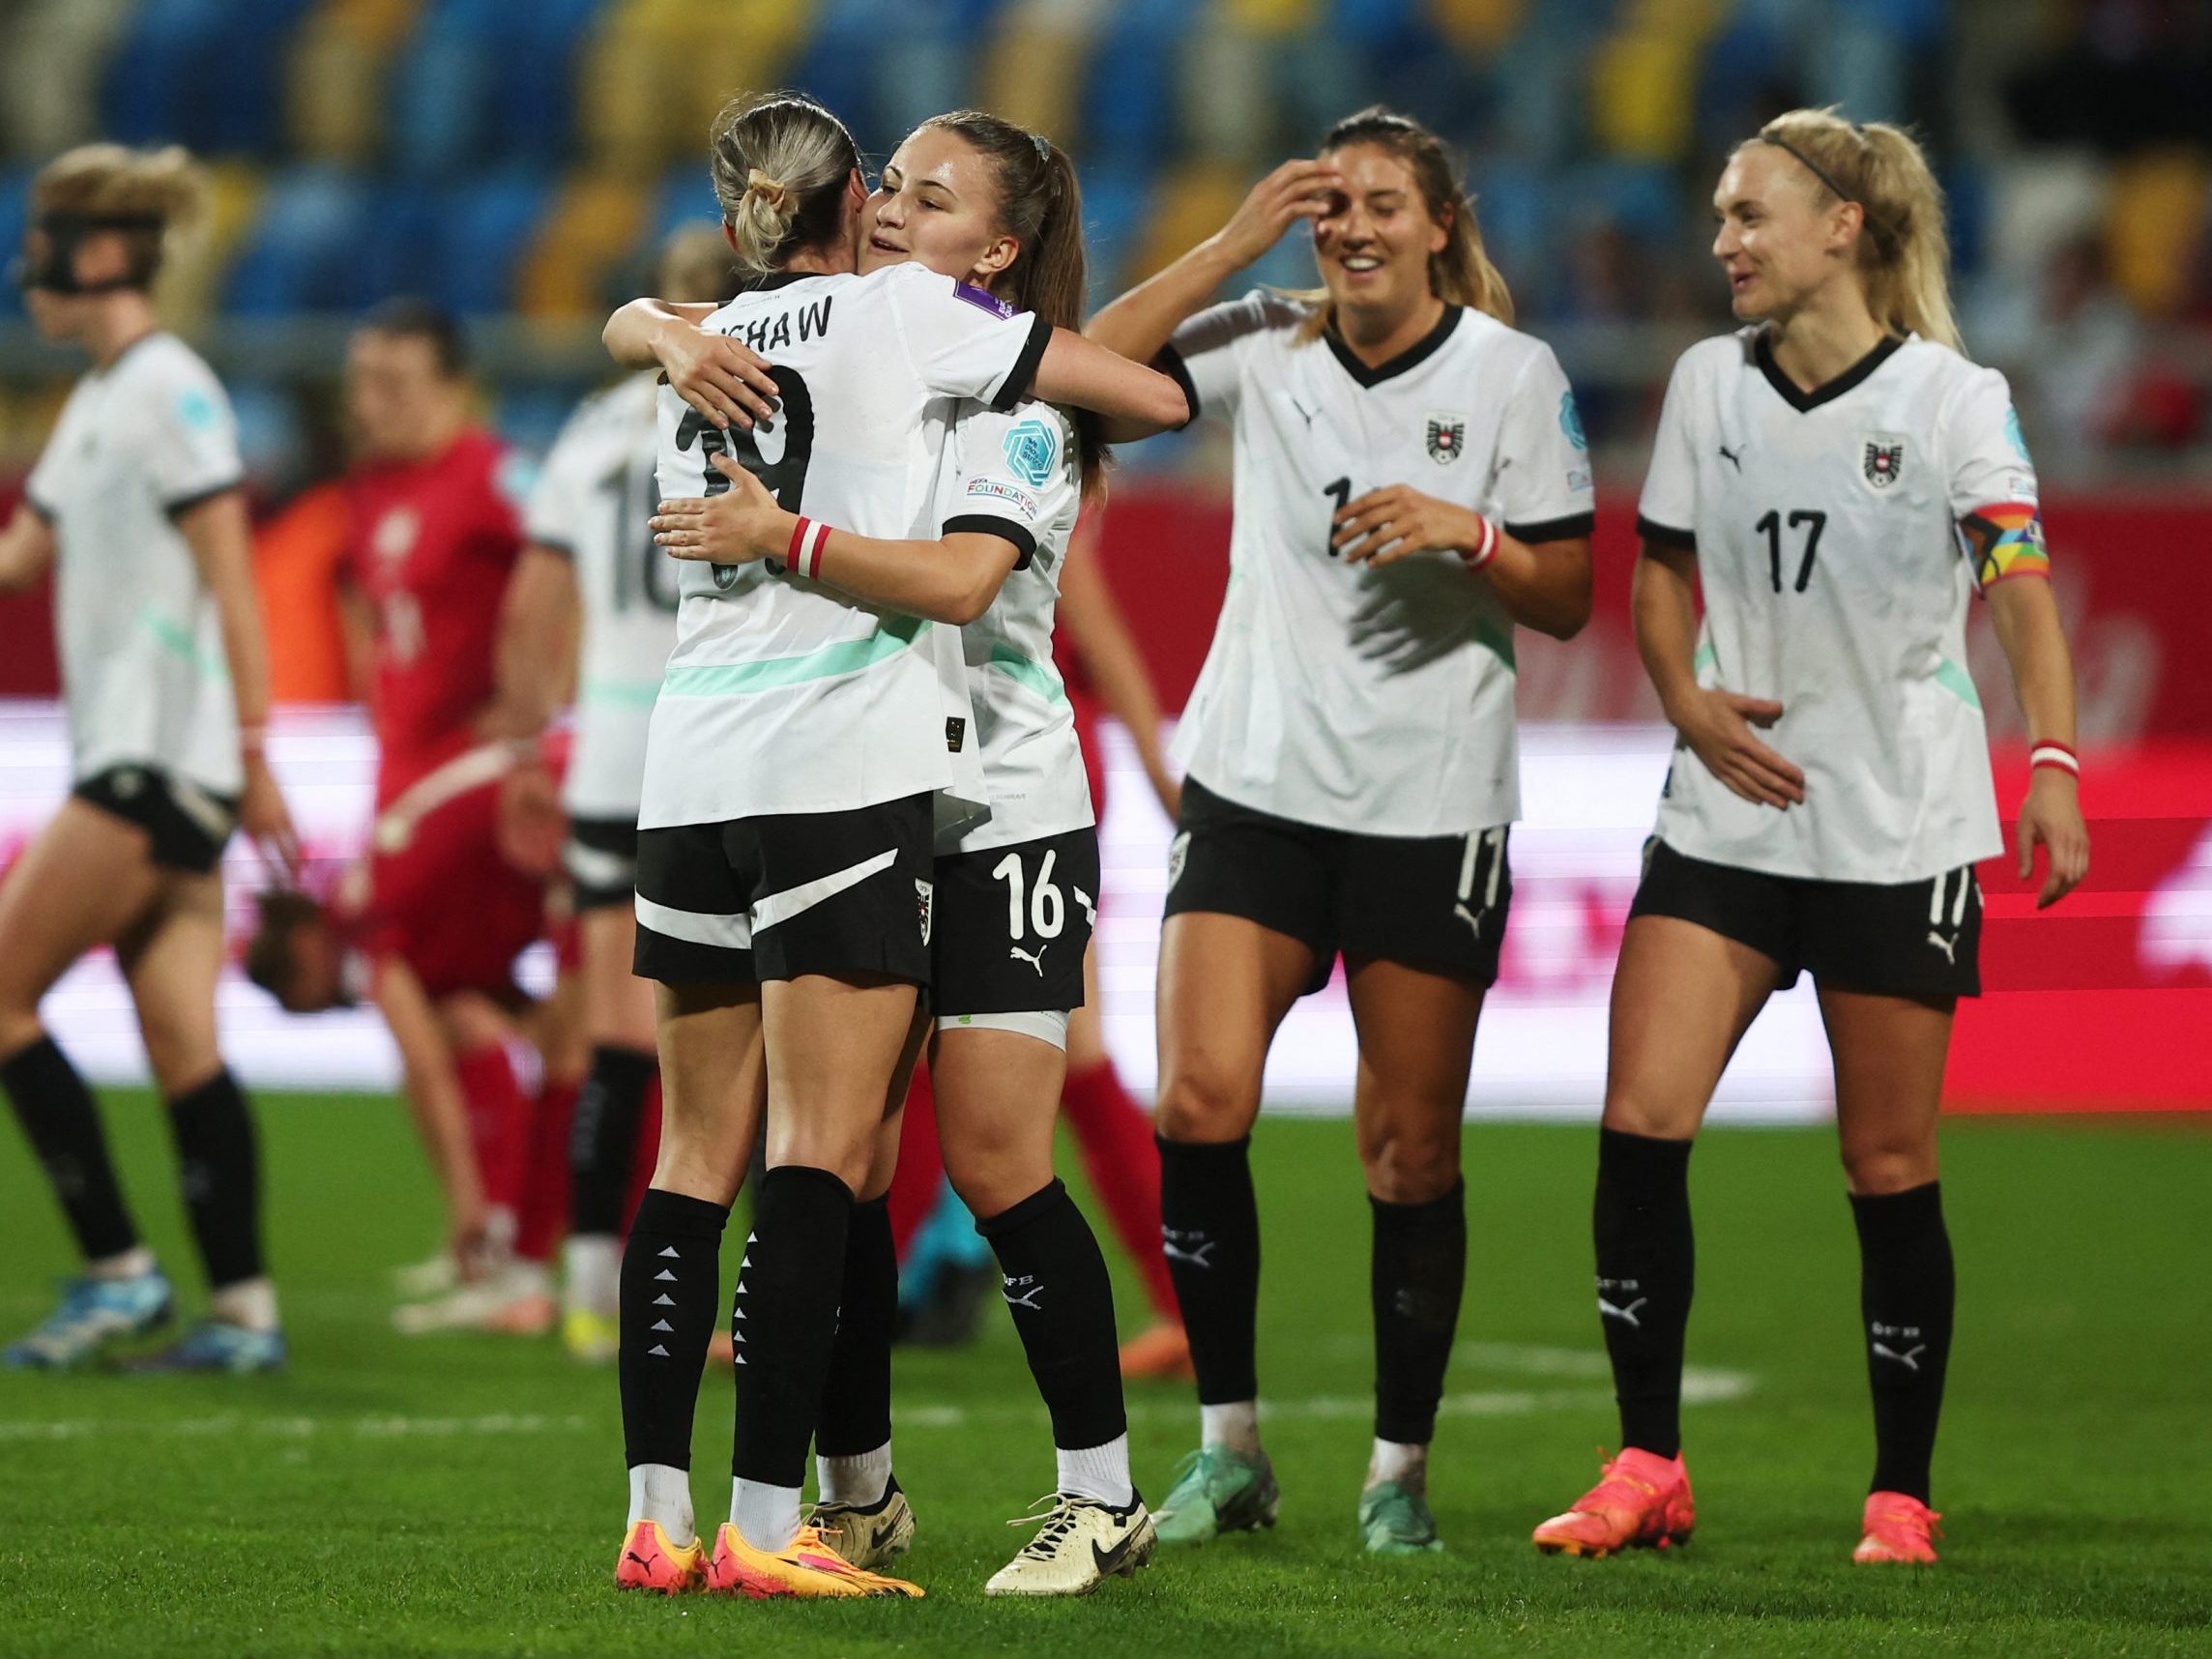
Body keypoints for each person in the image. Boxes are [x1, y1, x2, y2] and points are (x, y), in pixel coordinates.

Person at [598, 90, 1184, 1601]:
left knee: (988, 1159)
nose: (893, 206)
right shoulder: (870, 338)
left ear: (989, 251)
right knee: (842, 1159)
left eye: (930, 195)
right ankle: (849, 1490)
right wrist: (652, 323)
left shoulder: (1006, 400)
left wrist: (766, 511)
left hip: (1001, 805)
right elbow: (685, 317)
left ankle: (1099, 1492)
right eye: (891, 183)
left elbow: (975, 574)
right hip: (860, 777)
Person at [1528, 109, 2089, 1568]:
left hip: (1895, 825)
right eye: (1720, 213)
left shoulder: (1957, 400)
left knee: (1886, 1162)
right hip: (1724, 812)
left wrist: (2049, 763)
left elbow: (2022, 590)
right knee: (1639, 1121)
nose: (1721, 239)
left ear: (1843, 225)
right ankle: (1647, 1462)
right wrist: (1684, 700)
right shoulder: (1706, 382)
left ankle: (1900, 1492)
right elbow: (1658, 575)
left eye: (1748, 213)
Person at [1087, 106, 1596, 1555]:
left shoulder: (1510, 375)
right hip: (1251, 782)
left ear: (1440, 224)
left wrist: (1468, 534)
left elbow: (1567, 594)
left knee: (1408, 1153)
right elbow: (1081, 378)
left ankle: (1396, 1474)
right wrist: (1227, 244)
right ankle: (1229, 1449)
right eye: (1331, 207)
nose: (1354, 228)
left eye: (1383, 203)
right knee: (1198, 1100)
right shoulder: (1263, 337)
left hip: (1429, 804)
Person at [0, 143, 298, 1373]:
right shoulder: (99, 400)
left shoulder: (171, 388)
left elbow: (234, 577)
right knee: (183, 1043)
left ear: (100, 254)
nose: (26, 275)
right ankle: (243, 1312)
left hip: (154, 758)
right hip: (162, 762)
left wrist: (253, 748)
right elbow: (21, 558)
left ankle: (120, 1276)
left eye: (41, 251)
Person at [494, 226, 742, 1362]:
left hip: (605, 756)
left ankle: (593, 1289)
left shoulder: (592, 430)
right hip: (717, 747)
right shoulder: (755, 404)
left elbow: (529, 610)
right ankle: (742, 1302)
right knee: (751, 1040)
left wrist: (521, 752)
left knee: (613, 1038)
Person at [337, 297, 573, 1313]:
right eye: (363, 382)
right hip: (406, 775)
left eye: (394, 383)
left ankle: (494, 1234)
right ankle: (489, 1239)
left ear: (454, 388)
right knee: (459, 1004)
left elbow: (570, 577)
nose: (371, 402)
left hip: (474, 779)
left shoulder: (496, 477)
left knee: (379, 950)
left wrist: (532, 718)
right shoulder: (371, 490)